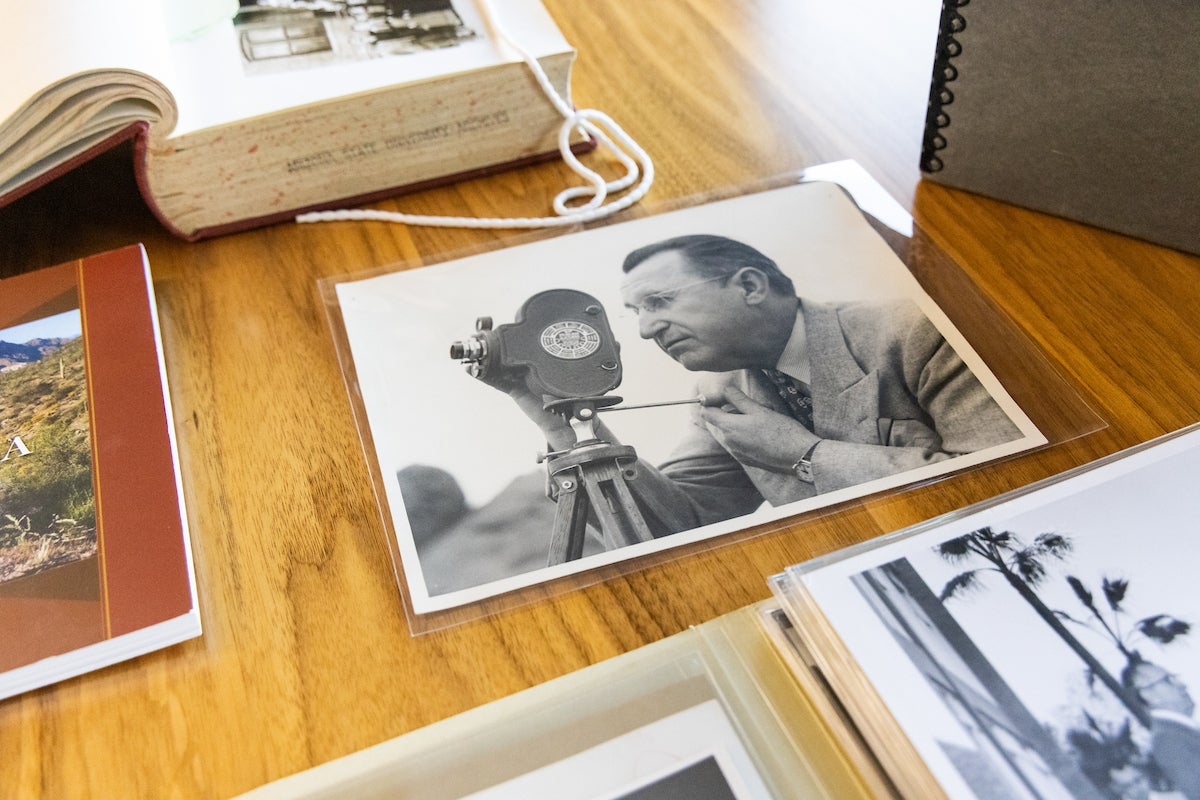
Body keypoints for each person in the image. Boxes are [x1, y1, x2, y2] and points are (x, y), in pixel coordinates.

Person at [482, 234, 1023, 532]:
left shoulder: (911, 331)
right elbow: (678, 524)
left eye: (659, 302)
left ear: (749, 286)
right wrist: (562, 422)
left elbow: (1009, 482)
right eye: (636, 313)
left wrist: (806, 455)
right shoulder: (720, 395)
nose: (645, 330)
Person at [1124, 660, 1200, 799]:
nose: (1182, 685)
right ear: (1147, 695)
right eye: (1168, 680)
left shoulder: (1180, 731)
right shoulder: (1168, 740)